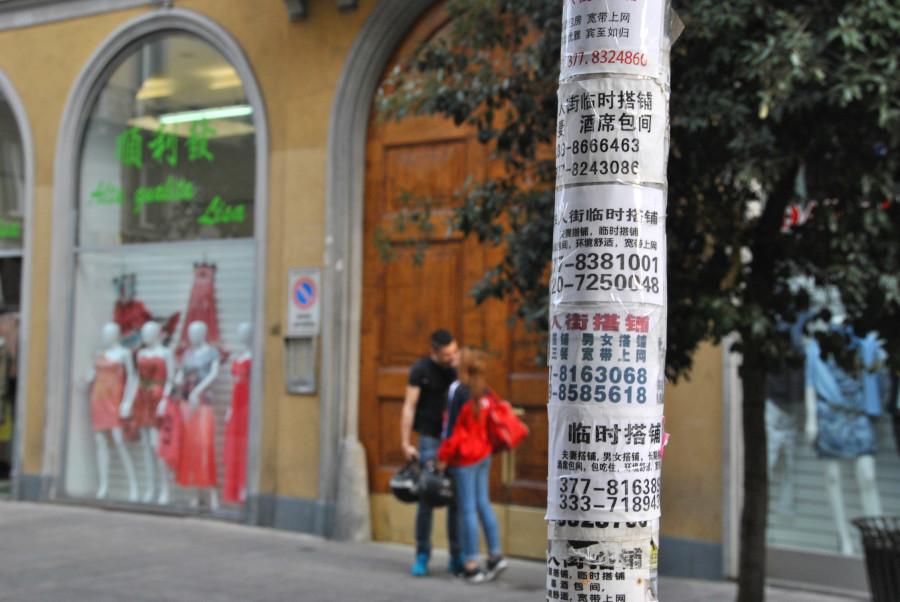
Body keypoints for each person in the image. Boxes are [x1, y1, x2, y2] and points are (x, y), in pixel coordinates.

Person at [438, 347, 507, 584]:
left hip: (465, 459)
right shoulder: (484, 390)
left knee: (467, 510)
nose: (454, 359)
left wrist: (442, 457)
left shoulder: (457, 390)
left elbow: (450, 430)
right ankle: (495, 555)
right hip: (483, 455)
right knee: (483, 504)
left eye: (458, 357)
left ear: (463, 365)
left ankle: (471, 564)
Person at [400, 328, 461, 577]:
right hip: (429, 440)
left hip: (455, 442)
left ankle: (456, 556)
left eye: (455, 352)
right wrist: (405, 443)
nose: (452, 357)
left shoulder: (458, 369)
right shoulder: (421, 369)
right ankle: (422, 554)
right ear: (433, 351)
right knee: (427, 497)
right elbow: (409, 406)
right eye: (447, 354)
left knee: (454, 499)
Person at [88, 322, 139, 501]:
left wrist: (127, 402)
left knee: (119, 441)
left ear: (116, 334)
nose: (106, 337)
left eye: (109, 333)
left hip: (114, 399)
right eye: (104, 333)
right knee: (100, 441)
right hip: (98, 399)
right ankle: (103, 486)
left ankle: (134, 486)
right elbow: (91, 375)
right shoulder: (99, 354)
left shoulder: (124, 353)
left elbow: (133, 377)